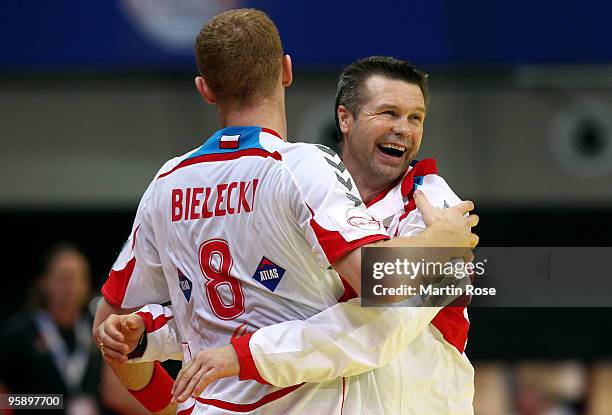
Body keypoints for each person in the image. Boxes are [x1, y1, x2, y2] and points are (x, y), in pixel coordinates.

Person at [94, 9, 477, 415]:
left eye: (415, 117)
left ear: (205, 89)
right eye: (388, 113)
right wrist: (441, 244)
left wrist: (172, 346)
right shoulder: (302, 177)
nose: (404, 128)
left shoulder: (437, 204)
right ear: (341, 116)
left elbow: (377, 326)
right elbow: (264, 308)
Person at [0, 243, 148, 415]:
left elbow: (115, 393)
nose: (72, 287)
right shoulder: (18, 333)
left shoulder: (99, 328)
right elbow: (4, 399)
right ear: (44, 283)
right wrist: (56, 403)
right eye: (64, 278)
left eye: (80, 278)